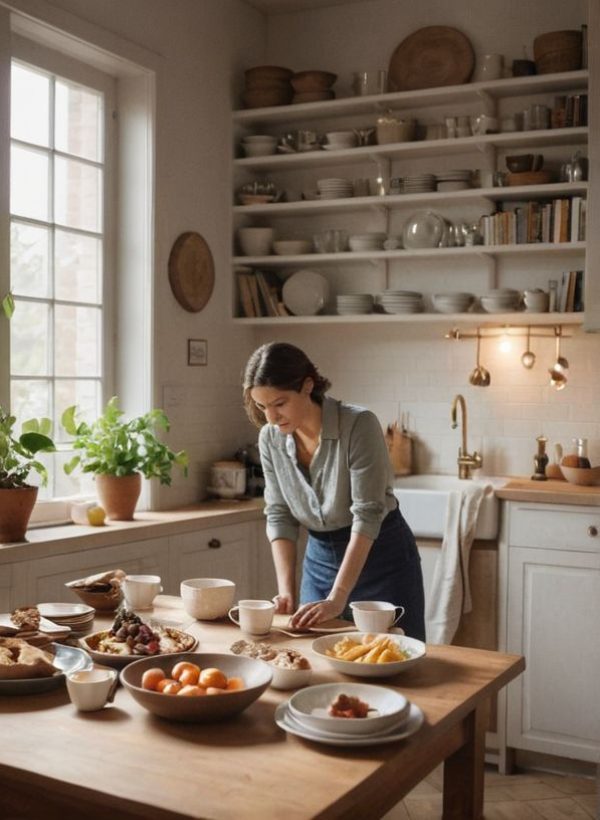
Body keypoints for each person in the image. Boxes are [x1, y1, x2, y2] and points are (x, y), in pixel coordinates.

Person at [242, 342, 426, 640]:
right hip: (319, 561)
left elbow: (367, 515)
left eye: (279, 403)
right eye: (262, 407)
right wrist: (286, 591)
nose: (271, 418)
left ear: (307, 386)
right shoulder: (270, 439)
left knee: (392, 656)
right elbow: (279, 515)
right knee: (318, 656)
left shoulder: (358, 425)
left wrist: (338, 597)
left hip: (381, 558)